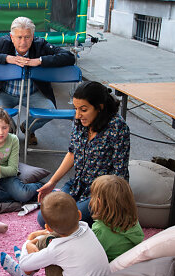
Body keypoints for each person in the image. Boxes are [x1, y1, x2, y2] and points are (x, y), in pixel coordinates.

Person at [37, 81, 130, 226]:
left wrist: (103, 201)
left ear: (100, 107)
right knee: (45, 217)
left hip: (103, 192)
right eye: (75, 108)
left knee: (69, 221)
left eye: (84, 109)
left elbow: (120, 172)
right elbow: (72, 153)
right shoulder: (80, 121)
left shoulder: (118, 126)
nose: (78, 114)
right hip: (78, 184)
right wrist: (52, 182)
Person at [0, 16, 75, 145]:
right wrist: (6, 58)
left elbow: (69, 57)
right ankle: (11, 131)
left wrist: (40, 61)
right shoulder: (3, 43)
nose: (23, 42)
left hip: (32, 93)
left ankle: (27, 128)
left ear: (33, 36)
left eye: (27, 37)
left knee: (50, 110)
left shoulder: (40, 44)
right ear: (11, 37)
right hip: (5, 93)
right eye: (19, 37)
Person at [0, 192, 110, 276]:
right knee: (48, 240)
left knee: (45, 249)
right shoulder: (86, 228)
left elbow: (24, 263)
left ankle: (22, 273)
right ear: (79, 215)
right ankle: (30, 266)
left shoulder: (56, 249)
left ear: (48, 227)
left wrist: (28, 242)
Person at [90, 175, 144, 262]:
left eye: (92, 196)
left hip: (110, 268)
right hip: (129, 262)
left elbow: (91, 256)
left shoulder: (100, 230)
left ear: (99, 202)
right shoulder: (133, 220)